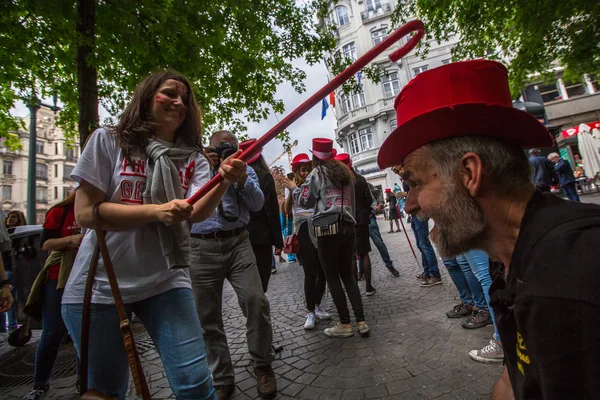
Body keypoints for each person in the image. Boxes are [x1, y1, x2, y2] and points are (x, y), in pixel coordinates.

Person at [377, 59, 600, 399]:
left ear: (470, 173)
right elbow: (514, 380)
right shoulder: (510, 260)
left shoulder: (569, 283)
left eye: (415, 182)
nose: (410, 205)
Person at [62, 71, 246, 400]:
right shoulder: (108, 141)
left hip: (166, 280)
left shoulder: (192, 158)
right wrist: (154, 212)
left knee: (195, 385)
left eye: (186, 100)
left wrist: (224, 181)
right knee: (106, 391)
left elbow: (198, 211)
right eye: (169, 93)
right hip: (102, 287)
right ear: (147, 97)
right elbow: (85, 212)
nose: (179, 102)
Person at [190, 130, 276, 400]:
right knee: (207, 317)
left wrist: (239, 180)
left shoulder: (245, 167)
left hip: (238, 242)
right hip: (200, 245)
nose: (229, 152)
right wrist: (209, 166)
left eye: (233, 147)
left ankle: (263, 365)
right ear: (210, 148)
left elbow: (258, 203)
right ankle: (222, 377)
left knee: (256, 300)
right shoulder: (195, 165)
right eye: (223, 148)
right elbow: (186, 201)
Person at [285, 138, 369, 338]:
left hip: (326, 229)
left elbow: (305, 200)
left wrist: (292, 187)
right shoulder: (346, 174)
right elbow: (353, 205)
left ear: (315, 156)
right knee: (348, 276)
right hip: (348, 227)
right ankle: (362, 321)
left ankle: (345, 324)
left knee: (332, 277)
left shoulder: (317, 173)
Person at [21, 193, 82, 399]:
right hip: (58, 278)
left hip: (86, 278)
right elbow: (45, 243)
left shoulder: (98, 208)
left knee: (84, 333)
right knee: (52, 332)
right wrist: (69, 240)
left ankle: (84, 382)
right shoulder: (60, 211)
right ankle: (40, 383)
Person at [284, 153, 330, 330]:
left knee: (323, 270)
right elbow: (287, 210)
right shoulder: (292, 186)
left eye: (308, 169)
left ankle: (317, 306)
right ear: (296, 171)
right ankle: (310, 311)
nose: (306, 173)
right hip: (303, 229)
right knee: (310, 272)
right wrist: (291, 190)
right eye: (303, 169)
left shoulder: (316, 183)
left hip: (319, 226)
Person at [243, 139, 284, 292]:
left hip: (241, 238)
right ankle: (258, 313)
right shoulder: (264, 177)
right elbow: (272, 211)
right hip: (261, 237)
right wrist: (278, 242)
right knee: (261, 283)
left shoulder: (235, 176)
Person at [391, 166, 441, 287]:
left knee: (424, 244)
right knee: (420, 244)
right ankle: (427, 270)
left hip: (419, 212)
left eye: (396, 167)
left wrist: (405, 193)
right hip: (413, 213)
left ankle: (435, 274)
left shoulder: (412, 172)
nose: (395, 170)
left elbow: (420, 189)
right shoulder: (404, 177)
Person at [336, 153, 376, 295]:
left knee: (352, 255)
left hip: (347, 221)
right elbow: (368, 200)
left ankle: (354, 289)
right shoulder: (360, 179)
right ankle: (369, 286)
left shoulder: (339, 183)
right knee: (364, 253)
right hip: (361, 220)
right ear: (350, 163)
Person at [1, 210, 26, 337]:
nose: (10, 219)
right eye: (9, 216)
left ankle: (11, 326)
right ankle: (8, 327)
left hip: (12, 270)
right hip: (7, 270)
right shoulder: (5, 233)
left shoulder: (19, 235)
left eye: (14, 217)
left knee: (9, 299)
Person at [365, 184, 399, 277]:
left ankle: (389, 265)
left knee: (379, 243)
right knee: (360, 249)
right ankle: (361, 271)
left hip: (369, 217)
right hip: (355, 221)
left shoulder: (362, 181)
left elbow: (378, 192)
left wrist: (380, 204)